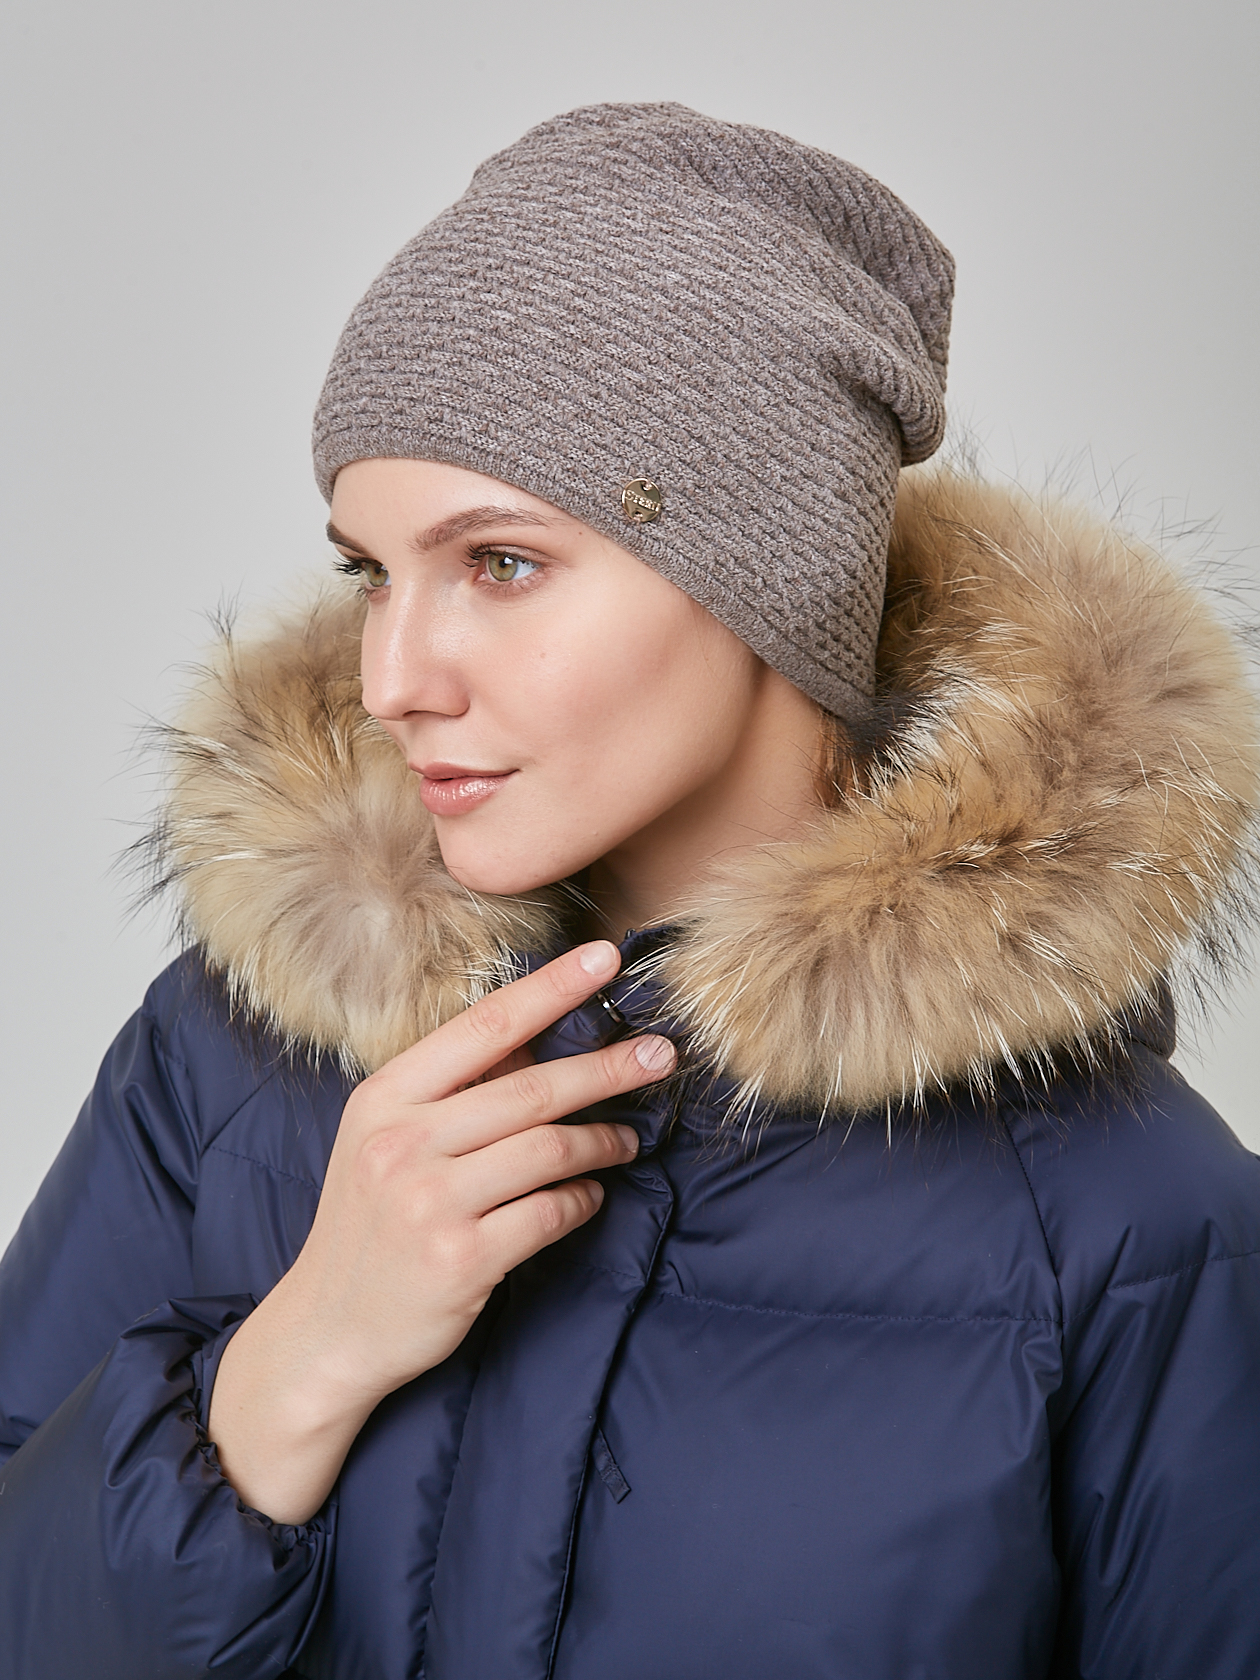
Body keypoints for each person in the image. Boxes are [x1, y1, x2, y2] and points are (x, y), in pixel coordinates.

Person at [1, 101, 1258, 1680]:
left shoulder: (1128, 1227)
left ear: (773, 578)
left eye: (500, 564)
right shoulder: (223, 1067)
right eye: (370, 572)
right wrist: (296, 1362)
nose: (393, 677)